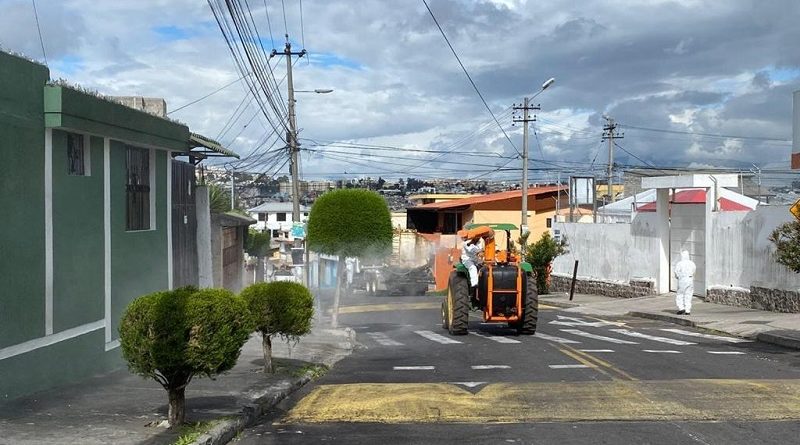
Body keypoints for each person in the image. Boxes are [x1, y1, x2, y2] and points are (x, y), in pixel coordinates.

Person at [674, 250, 696, 315]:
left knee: (680, 294)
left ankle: (681, 308)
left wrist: (678, 277)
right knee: (688, 295)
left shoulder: (679, 263)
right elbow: (694, 271)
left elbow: (676, 272)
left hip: (682, 280)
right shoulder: (692, 263)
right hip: (690, 279)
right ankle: (687, 310)